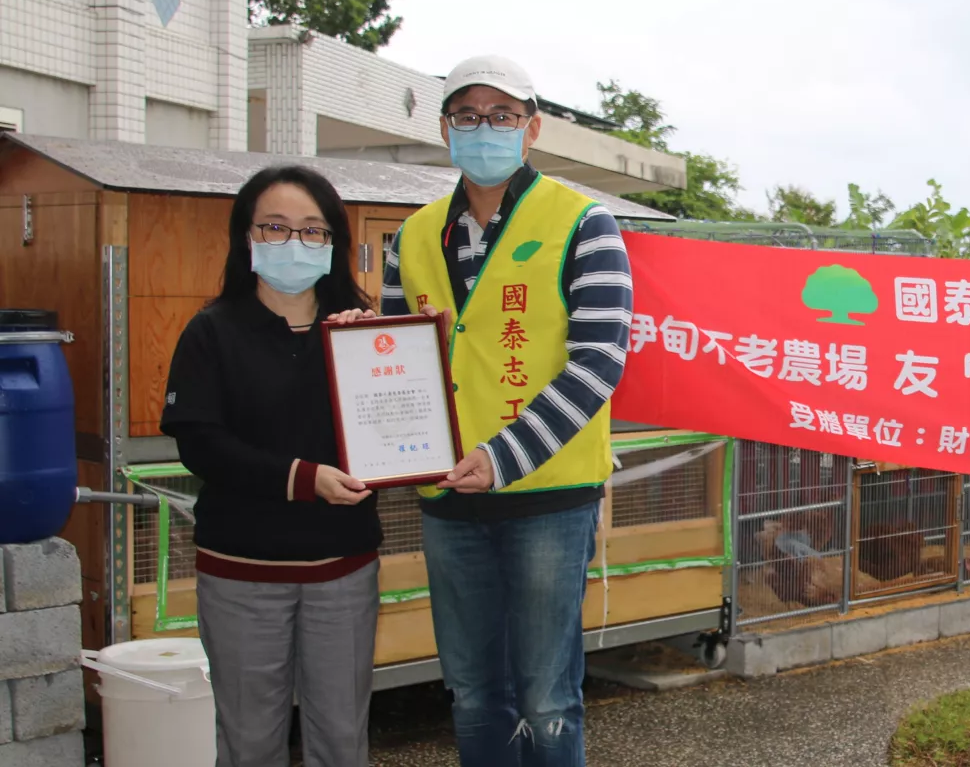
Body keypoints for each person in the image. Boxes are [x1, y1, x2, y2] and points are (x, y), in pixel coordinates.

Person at [333, 55, 633, 766]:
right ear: (445, 129)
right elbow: (404, 356)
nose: (484, 129)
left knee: (546, 697)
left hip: (548, 495)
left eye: (502, 116)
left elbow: (599, 362)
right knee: (471, 693)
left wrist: (502, 458)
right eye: (467, 116)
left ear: (533, 128)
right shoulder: (415, 234)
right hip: (449, 497)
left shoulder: (585, 223)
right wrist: (366, 347)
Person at [160, 165, 383, 767]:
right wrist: (303, 479)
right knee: (250, 741)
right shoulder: (211, 331)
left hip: (343, 568)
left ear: (333, 242)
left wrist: (380, 355)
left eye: (313, 230)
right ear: (247, 237)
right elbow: (200, 444)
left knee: (342, 740)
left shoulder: (363, 333)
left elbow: (396, 433)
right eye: (276, 227)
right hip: (242, 572)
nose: (295, 242)